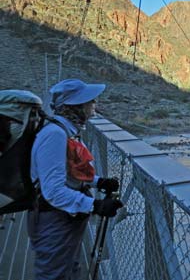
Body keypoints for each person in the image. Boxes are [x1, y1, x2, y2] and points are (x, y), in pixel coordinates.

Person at [27, 79, 123, 280]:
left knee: (68, 269)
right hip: (54, 220)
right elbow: (52, 191)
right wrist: (95, 205)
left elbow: (67, 173)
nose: (94, 104)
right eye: (90, 101)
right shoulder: (55, 135)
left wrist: (98, 182)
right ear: (76, 106)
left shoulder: (64, 131)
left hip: (62, 218)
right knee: (55, 275)